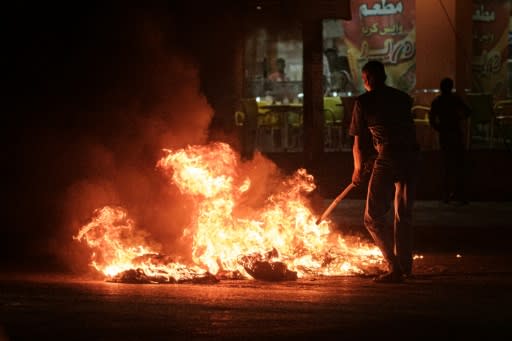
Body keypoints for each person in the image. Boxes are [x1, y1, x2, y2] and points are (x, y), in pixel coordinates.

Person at [349, 60, 420, 283]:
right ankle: (405, 267)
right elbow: (403, 131)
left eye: (365, 77)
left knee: (371, 218)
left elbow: (358, 143)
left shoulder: (363, 101)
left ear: (369, 78)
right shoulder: (402, 98)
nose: (365, 81)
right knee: (403, 214)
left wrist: (358, 169)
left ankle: (394, 267)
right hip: (409, 156)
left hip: (388, 157)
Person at [429, 77, 471, 205]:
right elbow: (468, 112)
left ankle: (446, 195)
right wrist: (458, 118)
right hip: (456, 133)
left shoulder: (438, 101)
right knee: (459, 165)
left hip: (445, 135)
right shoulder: (455, 99)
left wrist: (439, 128)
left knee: (446, 166)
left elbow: (432, 119)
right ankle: (460, 195)